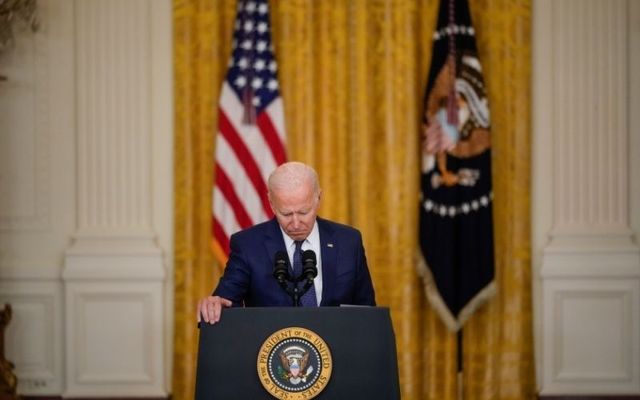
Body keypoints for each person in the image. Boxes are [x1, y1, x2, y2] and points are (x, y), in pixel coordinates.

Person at [197, 161, 376, 324]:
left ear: (318, 199)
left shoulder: (348, 242)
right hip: (271, 354)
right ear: (272, 204)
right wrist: (215, 304)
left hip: (337, 353)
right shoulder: (248, 245)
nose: (296, 223)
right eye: (286, 214)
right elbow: (226, 301)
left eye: (304, 212)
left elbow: (367, 313)